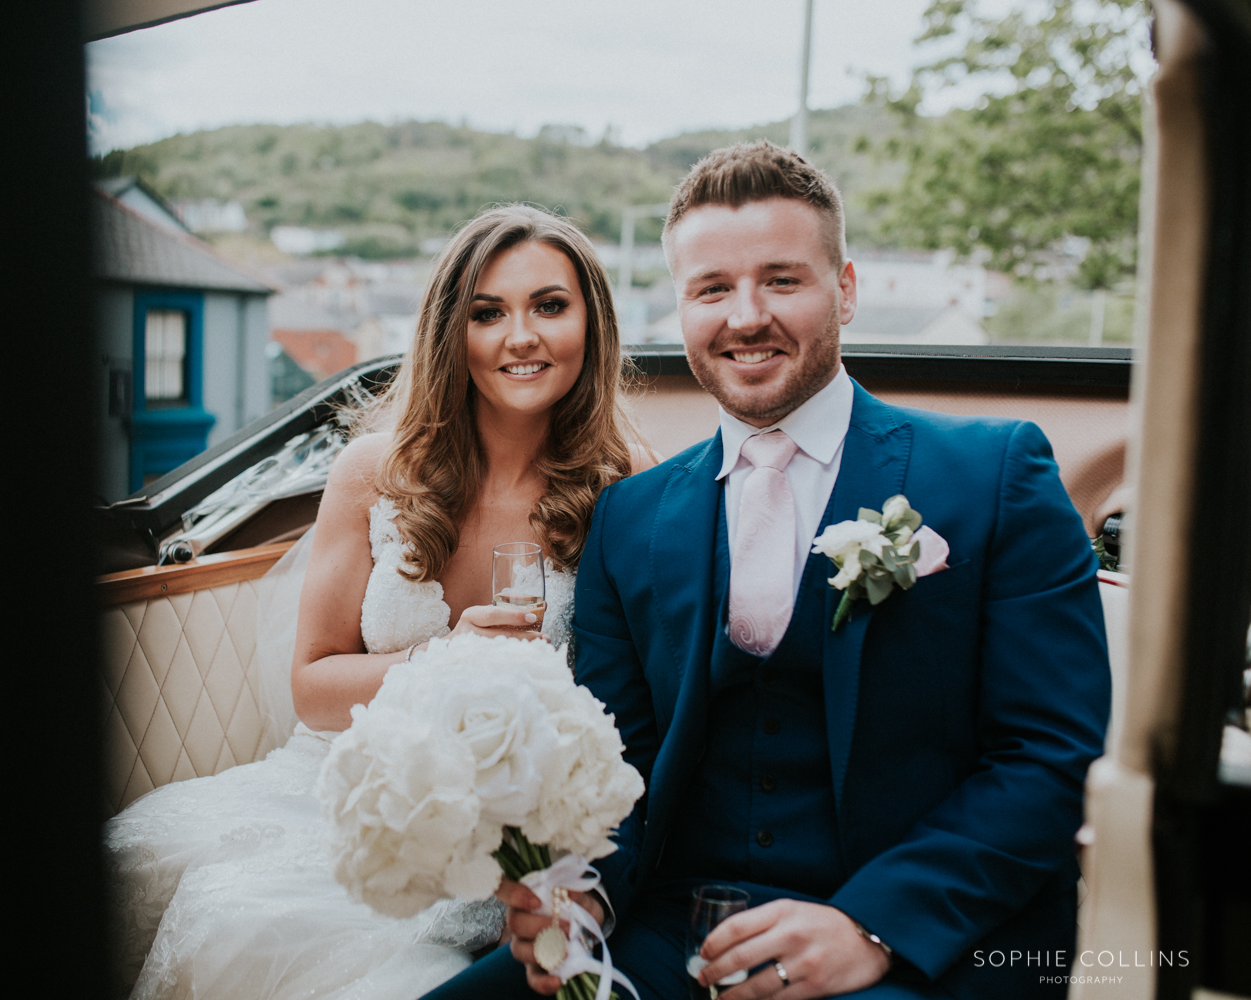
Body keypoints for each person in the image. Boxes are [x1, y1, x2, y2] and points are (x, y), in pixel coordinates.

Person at [423, 142, 1111, 1000]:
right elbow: (609, 764)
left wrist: (872, 925)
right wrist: (581, 895)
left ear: (846, 289)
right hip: (664, 932)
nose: (745, 317)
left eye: (782, 280)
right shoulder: (630, 520)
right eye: (712, 289)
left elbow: (1052, 755)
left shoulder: (995, 476)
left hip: (918, 943)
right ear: (681, 307)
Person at [104, 204, 653, 1000]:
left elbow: (642, 694)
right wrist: (447, 657)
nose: (521, 336)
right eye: (487, 312)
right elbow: (313, 687)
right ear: (448, 331)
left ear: (592, 324)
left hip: (533, 803)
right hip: (348, 782)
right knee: (171, 883)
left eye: (550, 306)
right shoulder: (372, 471)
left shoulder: (629, 480)